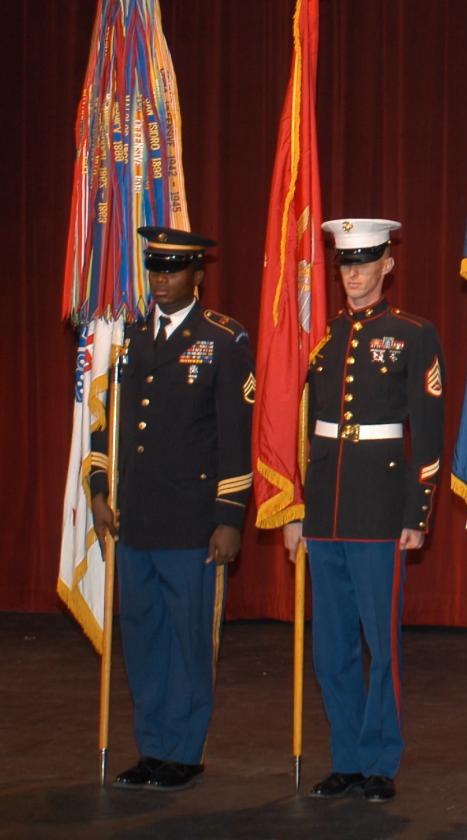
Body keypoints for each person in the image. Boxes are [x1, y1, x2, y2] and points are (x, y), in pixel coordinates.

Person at [282, 218, 445, 803]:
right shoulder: (321, 337)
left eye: (364, 261)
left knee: (382, 643)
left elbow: (426, 431)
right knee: (332, 648)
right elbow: (299, 427)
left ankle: (379, 761)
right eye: (345, 263)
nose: (352, 273)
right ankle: (346, 758)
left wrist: (417, 511)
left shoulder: (412, 334)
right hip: (325, 506)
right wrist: (295, 508)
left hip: (380, 505)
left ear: (387, 266)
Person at [89, 226, 254, 791]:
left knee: (187, 638)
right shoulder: (130, 339)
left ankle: (185, 751)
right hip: (136, 516)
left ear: (197, 276)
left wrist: (230, 516)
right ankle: (153, 746)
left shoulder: (223, 340)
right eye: (155, 269)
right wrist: (99, 489)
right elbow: (108, 424)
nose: (162, 280)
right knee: (143, 635)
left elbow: (236, 435)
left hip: (192, 523)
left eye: (173, 270)